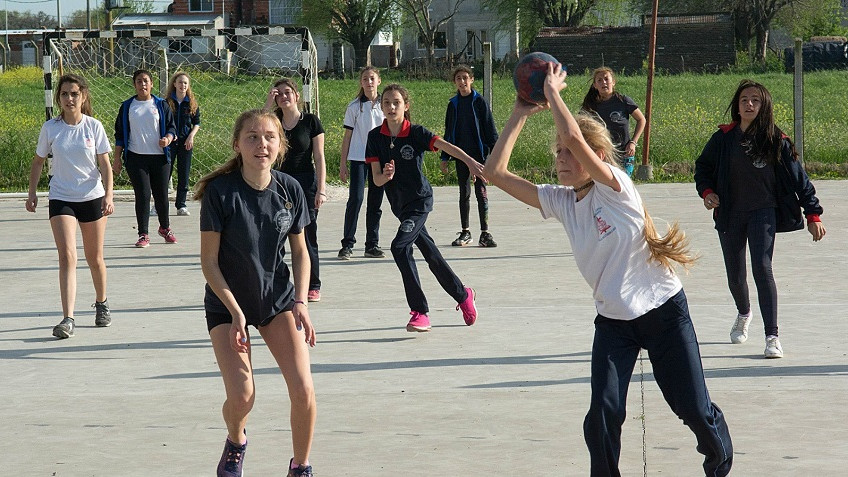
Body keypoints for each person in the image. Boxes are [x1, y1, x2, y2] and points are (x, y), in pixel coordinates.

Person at [483, 64, 732, 476]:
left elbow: (574, 136)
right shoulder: (563, 202)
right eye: (558, 153)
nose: (561, 157)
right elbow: (494, 173)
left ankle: (719, 461)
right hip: (614, 323)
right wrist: (519, 112)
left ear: (596, 157)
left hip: (664, 313)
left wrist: (553, 93)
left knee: (693, 409)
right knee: (601, 414)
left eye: (568, 152)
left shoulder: (616, 188)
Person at [196, 109, 317, 477]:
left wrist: (301, 301)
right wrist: (235, 312)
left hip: (276, 301)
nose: (261, 144)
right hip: (227, 304)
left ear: (280, 146)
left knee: (303, 390)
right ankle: (236, 440)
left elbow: (300, 252)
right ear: (237, 144)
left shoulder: (289, 189)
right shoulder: (220, 192)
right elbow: (209, 262)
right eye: (252, 137)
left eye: (269, 137)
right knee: (243, 396)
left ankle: (300, 467)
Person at [694, 79, 826, 359]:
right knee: (735, 276)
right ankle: (744, 313)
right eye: (744, 100)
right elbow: (702, 168)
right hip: (730, 213)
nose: (749, 104)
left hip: (763, 213)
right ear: (737, 106)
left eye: (755, 100)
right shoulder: (723, 137)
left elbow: (800, 180)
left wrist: (813, 214)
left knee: (762, 268)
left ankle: (772, 336)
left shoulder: (777, 140)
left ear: (764, 106)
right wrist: (707, 192)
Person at [366, 83, 480, 332]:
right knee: (431, 254)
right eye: (386, 102)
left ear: (406, 106)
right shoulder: (375, 137)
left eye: (396, 102)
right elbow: (376, 180)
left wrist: (470, 162)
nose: (391, 106)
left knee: (399, 246)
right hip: (400, 206)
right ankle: (463, 295)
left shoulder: (415, 132)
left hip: (419, 202)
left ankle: (420, 311)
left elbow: (446, 146)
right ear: (381, 107)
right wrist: (386, 175)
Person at [26, 73, 114, 339]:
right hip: (61, 197)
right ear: (59, 98)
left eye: (74, 94)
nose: (69, 99)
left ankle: (101, 303)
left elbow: (105, 164)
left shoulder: (93, 127)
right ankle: (68, 318)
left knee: (94, 258)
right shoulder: (51, 128)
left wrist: (109, 196)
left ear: (83, 96)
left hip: (92, 197)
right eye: (64, 94)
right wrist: (32, 193)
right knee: (67, 256)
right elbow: (38, 161)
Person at [263, 78, 326, 303]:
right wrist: (267, 104)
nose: (283, 96)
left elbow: (319, 156)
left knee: (307, 235)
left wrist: (321, 189)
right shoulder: (273, 121)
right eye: (278, 93)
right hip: (277, 183)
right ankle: (273, 283)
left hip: (305, 184)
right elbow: (256, 127)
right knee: (273, 234)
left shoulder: (311, 121)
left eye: (287, 92)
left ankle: (313, 284)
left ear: (297, 96)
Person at [113, 69, 178, 247]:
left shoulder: (161, 105)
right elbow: (119, 135)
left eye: (146, 81)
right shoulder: (127, 106)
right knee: (143, 194)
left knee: (161, 195)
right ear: (134, 85)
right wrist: (117, 158)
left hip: (160, 158)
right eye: (139, 81)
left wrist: (168, 139)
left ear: (151, 84)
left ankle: (165, 228)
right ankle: (143, 234)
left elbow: (172, 128)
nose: (143, 84)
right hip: (136, 158)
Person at [440, 65, 499, 247]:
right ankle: (465, 232)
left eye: (465, 77)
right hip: (461, 155)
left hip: (479, 156)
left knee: (481, 192)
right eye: (458, 78)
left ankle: (485, 233)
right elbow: (448, 133)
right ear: (454, 82)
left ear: (471, 79)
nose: (462, 81)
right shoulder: (453, 104)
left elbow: (490, 130)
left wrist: (495, 157)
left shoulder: (479, 102)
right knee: (463, 192)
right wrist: (444, 157)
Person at [338, 66, 387, 260]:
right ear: (361, 82)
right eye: (365, 79)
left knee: (375, 202)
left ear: (379, 81)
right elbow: (347, 137)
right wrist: (343, 164)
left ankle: (372, 244)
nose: (369, 82)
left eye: (372, 78)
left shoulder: (385, 105)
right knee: (356, 199)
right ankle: (347, 244)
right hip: (358, 158)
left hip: (379, 160)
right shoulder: (354, 107)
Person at [580, 67, 645, 176]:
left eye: (606, 79)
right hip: (602, 154)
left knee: (623, 182)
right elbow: (580, 124)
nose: (604, 82)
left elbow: (641, 119)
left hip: (624, 153)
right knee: (604, 182)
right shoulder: (590, 105)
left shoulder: (623, 101)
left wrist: (633, 143)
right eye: (599, 80)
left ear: (613, 82)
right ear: (595, 85)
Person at [166, 71, 201, 216]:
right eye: (180, 82)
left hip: (185, 143)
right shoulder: (167, 102)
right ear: (174, 84)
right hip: (170, 143)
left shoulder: (191, 103)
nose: (183, 85)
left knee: (184, 173)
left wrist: (191, 136)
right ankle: (158, 204)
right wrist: (168, 136)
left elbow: (196, 123)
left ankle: (181, 205)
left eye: (185, 83)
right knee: (165, 174)